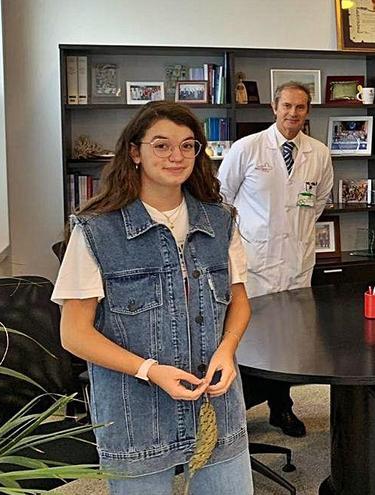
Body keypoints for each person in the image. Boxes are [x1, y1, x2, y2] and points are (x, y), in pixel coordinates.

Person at [52, 101, 253, 494]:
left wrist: (227, 350)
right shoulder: (96, 230)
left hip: (216, 403)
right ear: (135, 152)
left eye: (187, 145)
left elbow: (239, 301)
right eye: (161, 145)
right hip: (134, 413)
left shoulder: (221, 220)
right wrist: (150, 370)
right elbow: (74, 334)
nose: (176, 156)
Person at [218, 81, 334, 438]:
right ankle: (234, 412)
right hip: (254, 262)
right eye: (287, 106)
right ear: (274, 107)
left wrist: (292, 234)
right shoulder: (248, 148)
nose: (292, 114)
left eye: (300, 108)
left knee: (289, 340)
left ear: (308, 112)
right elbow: (222, 200)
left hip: (296, 262)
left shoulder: (319, 153)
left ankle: (281, 410)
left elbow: (319, 202)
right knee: (249, 338)